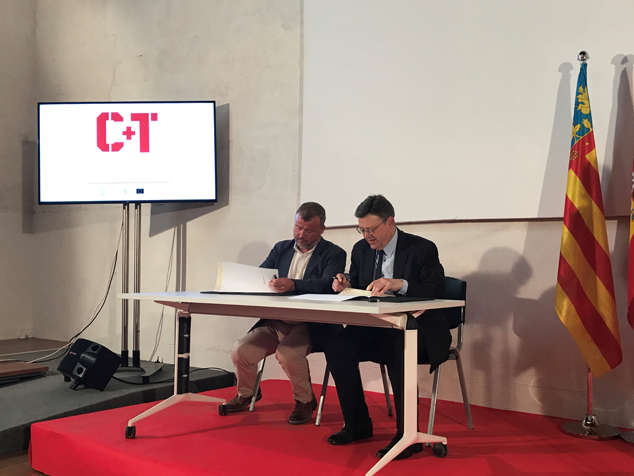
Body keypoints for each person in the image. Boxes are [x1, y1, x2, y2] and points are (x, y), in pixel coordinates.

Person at [326, 195, 451, 459]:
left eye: (371, 229)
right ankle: (357, 425)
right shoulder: (361, 249)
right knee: (337, 344)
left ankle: (408, 436)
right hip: (377, 327)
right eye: (361, 229)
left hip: (418, 330)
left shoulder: (422, 248)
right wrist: (344, 284)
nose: (366, 236)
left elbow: (437, 290)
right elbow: (358, 285)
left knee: (398, 345)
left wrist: (400, 284)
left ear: (390, 222)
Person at [227, 202, 346, 425]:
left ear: (322, 229)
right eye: (298, 227)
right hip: (276, 321)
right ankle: (247, 393)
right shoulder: (281, 248)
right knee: (240, 351)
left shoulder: (333, 253)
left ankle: (305, 401)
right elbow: (261, 275)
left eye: (309, 230)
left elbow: (328, 285)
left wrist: (294, 284)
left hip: (310, 323)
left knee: (287, 353)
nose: (301, 234)